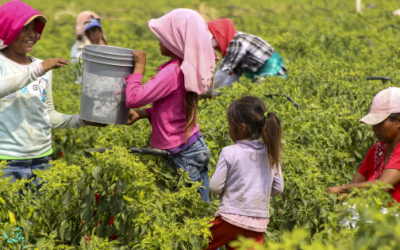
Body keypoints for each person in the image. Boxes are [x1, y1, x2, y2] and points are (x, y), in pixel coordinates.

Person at [0, 0, 102, 194]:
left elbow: (48, 115)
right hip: (7, 161)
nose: (32, 34)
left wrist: (80, 120)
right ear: (8, 27)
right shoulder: (12, 65)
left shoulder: (43, 68)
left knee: (39, 221)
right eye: (24, 28)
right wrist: (38, 69)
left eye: (34, 28)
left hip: (42, 159)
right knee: (12, 223)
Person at [124, 9, 217, 203]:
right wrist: (143, 114)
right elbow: (174, 110)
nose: (158, 39)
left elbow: (133, 98)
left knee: (186, 213)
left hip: (183, 154)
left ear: (177, 41)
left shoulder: (172, 73)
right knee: (199, 214)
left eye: (164, 36)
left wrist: (138, 67)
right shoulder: (185, 68)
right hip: (193, 148)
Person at [205, 96, 284, 249]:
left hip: (229, 219)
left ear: (241, 128)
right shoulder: (271, 151)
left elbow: (215, 187)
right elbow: (278, 188)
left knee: (193, 241)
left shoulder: (230, 152)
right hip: (258, 224)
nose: (228, 129)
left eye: (230, 125)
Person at [326, 87, 400, 203]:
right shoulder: (376, 150)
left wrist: (341, 189)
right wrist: (341, 196)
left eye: (379, 123)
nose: (374, 128)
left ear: (398, 122)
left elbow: (383, 185)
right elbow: (354, 185)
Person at [206, 19, 286, 96]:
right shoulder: (236, 41)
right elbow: (233, 75)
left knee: (268, 94)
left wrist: (207, 89)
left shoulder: (237, 42)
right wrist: (219, 92)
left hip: (270, 67)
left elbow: (224, 70)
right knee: (267, 94)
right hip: (267, 65)